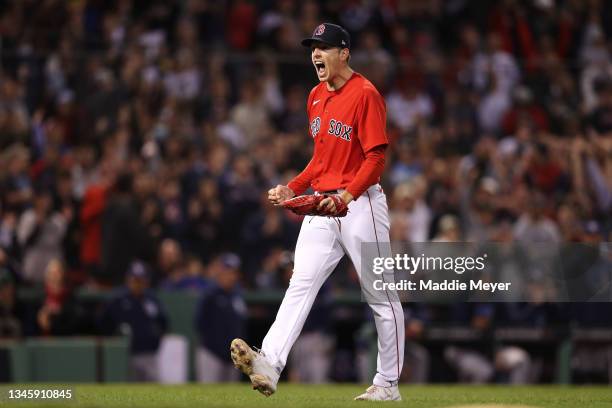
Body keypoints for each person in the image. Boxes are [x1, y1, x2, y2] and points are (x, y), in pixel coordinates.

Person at [230, 23, 405, 401]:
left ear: (344, 53)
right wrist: (292, 186)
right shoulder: (314, 95)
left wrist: (346, 195)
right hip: (324, 205)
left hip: (360, 205)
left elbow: (375, 158)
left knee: (382, 296)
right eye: (313, 47)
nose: (315, 54)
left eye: (324, 47)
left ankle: (388, 383)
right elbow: (320, 161)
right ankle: (270, 364)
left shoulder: (366, 94)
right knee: (300, 285)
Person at [99, 261, 167, 382]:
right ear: (128, 280)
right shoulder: (118, 300)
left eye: (141, 280)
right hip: (126, 355)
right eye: (135, 280)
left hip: (149, 354)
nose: (137, 284)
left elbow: (163, 322)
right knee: (130, 392)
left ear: (146, 281)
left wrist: (156, 338)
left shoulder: (151, 299)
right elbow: (104, 323)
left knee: (153, 393)